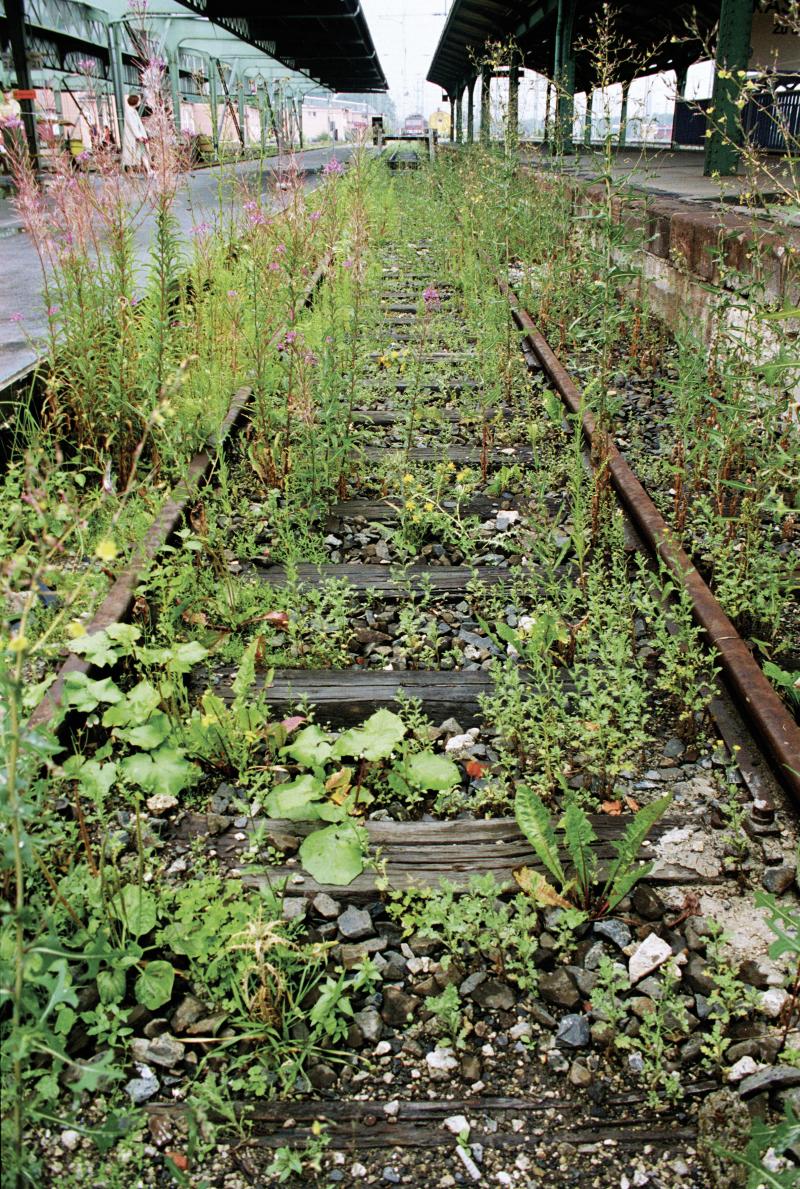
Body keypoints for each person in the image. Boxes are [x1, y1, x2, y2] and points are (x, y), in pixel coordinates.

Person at [121, 93, 151, 173]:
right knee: (137, 155)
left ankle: (148, 170)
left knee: (142, 154)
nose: (139, 102)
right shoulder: (129, 112)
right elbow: (132, 125)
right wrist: (139, 136)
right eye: (138, 101)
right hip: (135, 138)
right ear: (135, 102)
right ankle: (148, 171)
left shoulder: (132, 111)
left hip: (138, 137)